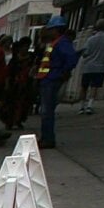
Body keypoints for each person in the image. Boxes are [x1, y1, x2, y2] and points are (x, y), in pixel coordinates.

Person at [35, 16, 78, 148]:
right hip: (47, 79)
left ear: (57, 29)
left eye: (50, 29)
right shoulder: (55, 43)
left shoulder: (62, 43)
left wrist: (61, 73)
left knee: (47, 111)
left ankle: (47, 139)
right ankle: (45, 137)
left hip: (51, 80)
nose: (48, 32)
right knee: (46, 111)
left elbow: (71, 59)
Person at [77, 18, 104, 114]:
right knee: (95, 86)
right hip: (100, 66)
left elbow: (85, 54)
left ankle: (81, 107)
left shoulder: (91, 39)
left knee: (84, 86)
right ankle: (90, 106)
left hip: (88, 66)